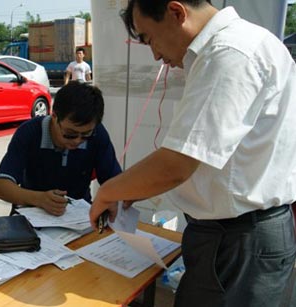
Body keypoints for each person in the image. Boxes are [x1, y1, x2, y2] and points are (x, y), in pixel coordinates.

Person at [89, 1, 296, 306]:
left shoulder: (228, 54)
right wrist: (133, 189)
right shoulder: (250, 42)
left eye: (150, 39)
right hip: (240, 235)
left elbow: (176, 164)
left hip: (238, 240)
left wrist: (108, 192)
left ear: (176, 12)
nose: (156, 55)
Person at [0, 81, 121, 216]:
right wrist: (39, 199)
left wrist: (112, 198)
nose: (77, 141)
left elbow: (114, 181)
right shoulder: (30, 132)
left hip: (78, 216)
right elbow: (0, 186)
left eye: (85, 135)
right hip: (32, 213)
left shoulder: (97, 134)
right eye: (70, 134)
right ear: (54, 117)